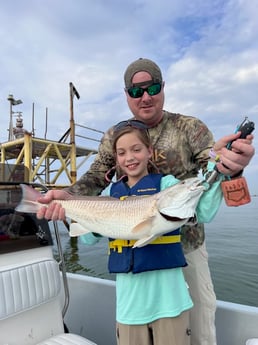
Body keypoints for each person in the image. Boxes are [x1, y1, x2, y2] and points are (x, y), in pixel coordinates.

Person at [37, 58, 255, 345]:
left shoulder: (190, 128)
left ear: (162, 87)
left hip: (185, 249)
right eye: (136, 91)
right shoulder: (113, 136)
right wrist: (67, 198)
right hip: (132, 251)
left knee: (199, 327)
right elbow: (95, 177)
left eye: (152, 87)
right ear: (127, 94)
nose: (146, 96)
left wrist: (231, 165)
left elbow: (209, 176)